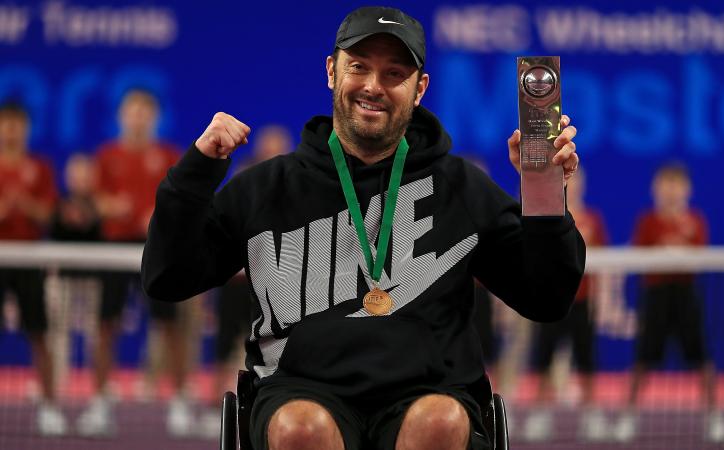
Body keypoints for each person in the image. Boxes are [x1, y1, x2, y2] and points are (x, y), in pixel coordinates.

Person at [141, 6, 584, 450]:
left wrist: (544, 194)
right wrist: (195, 173)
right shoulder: (265, 188)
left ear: (419, 90)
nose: (373, 86)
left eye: (394, 73)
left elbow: (546, 297)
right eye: (359, 67)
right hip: (299, 389)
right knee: (301, 426)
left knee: (440, 420)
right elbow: (168, 278)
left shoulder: (461, 187)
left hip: (432, 390)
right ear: (332, 71)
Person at [77, 89, 189, 437]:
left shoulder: (169, 155)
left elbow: (184, 200)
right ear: (122, 116)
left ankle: (180, 405)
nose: (138, 117)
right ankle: (99, 404)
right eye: (132, 111)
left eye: (145, 111)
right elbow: (92, 202)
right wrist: (109, 206)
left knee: (170, 328)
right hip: (113, 250)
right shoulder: (106, 156)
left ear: (154, 117)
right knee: (105, 326)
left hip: (155, 250)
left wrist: (160, 215)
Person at [614, 162, 724, 443]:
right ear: (656, 189)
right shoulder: (647, 221)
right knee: (642, 358)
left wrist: (675, 250)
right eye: (666, 185)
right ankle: (628, 415)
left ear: (688, 190)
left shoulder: (696, 221)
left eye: (677, 185)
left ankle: (714, 415)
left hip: (686, 296)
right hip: (655, 297)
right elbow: (642, 256)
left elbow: (697, 255)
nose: (672, 191)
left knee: (701, 357)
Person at [197, 124, 294, 439]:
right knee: (224, 344)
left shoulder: (298, 190)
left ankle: (271, 405)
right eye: (269, 146)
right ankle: (215, 408)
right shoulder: (244, 181)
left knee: (272, 348)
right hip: (238, 283)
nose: (273, 153)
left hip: (276, 285)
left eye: (280, 147)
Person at [523, 168, 608, 442]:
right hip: (550, 301)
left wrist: (603, 301)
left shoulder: (593, 220)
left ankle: (591, 413)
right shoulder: (546, 217)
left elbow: (605, 265)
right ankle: (540, 413)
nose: (572, 184)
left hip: (582, 303)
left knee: (586, 361)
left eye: (576, 179)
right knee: (544, 360)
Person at [0, 100, 65, 435]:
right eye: (5, 123)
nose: (11, 130)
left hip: (28, 259)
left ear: (26, 129)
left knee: (39, 334)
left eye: (17, 124)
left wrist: (25, 205)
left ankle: (49, 407)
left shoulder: (39, 167)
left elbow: (48, 216)